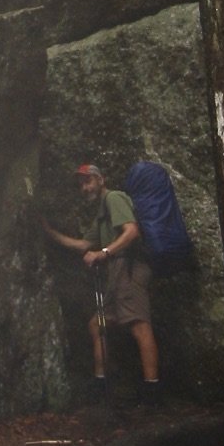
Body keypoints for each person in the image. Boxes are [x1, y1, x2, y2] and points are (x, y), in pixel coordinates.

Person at [42, 163, 161, 405]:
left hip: (129, 268)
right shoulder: (102, 213)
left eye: (88, 181)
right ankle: (103, 385)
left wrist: (103, 253)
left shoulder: (114, 198)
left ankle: (153, 393)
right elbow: (84, 245)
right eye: (81, 184)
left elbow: (131, 232)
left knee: (140, 326)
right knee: (98, 325)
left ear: (101, 180)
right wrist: (48, 232)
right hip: (117, 273)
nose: (85, 188)